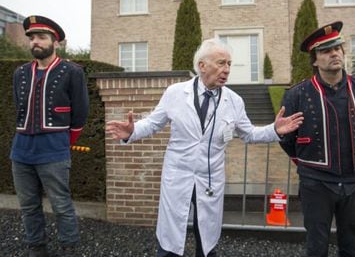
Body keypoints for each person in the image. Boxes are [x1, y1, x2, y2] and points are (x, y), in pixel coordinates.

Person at [106, 38, 304, 257]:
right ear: (202, 66)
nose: (227, 69)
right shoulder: (175, 93)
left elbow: (249, 134)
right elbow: (153, 123)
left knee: (207, 239)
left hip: (210, 178)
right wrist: (131, 132)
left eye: (229, 64)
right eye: (221, 63)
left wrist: (274, 130)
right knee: (170, 238)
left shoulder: (234, 101)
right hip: (178, 176)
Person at [279, 21, 355, 257]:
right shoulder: (297, 94)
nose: (334, 54)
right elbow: (286, 139)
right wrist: (308, 166)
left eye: (337, 48)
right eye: (325, 51)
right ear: (315, 60)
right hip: (316, 184)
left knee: (353, 246)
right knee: (316, 246)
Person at [10, 15, 89, 257]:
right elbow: (19, 107)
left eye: (41, 37)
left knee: (61, 205)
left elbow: (81, 112)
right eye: (32, 37)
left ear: (55, 42)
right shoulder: (20, 73)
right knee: (28, 206)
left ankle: (69, 249)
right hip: (21, 149)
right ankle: (37, 249)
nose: (36, 41)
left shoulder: (72, 71)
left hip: (54, 148)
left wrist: (65, 142)